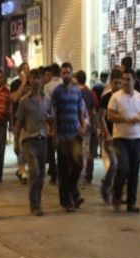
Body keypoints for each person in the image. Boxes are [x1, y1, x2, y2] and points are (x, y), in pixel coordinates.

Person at [107, 70, 140, 213]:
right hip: (120, 139)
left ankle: (131, 203)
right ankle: (117, 195)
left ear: (134, 80)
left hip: (136, 139)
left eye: (128, 79)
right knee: (124, 168)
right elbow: (110, 116)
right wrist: (123, 119)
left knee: (134, 171)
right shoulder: (115, 97)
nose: (125, 82)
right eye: (123, 79)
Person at [14, 68, 53, 216]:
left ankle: (38, 202)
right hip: (28, 140)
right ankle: (34, 204)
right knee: (34, 171)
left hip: (43, 140)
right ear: (29, 80)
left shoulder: (47, 100)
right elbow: (18, 124)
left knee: (41, 175)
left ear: (42, 80)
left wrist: (51, 123)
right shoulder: (24, 101)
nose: (36, 81)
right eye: (33, 78)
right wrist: (17, 143)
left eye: (38, 78)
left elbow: (52, 119)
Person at [51, 62, 87, 212]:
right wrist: (54, 133)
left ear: (72, 74)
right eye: (63, 73)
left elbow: (80, 110)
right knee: (64, 169)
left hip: (74, 133)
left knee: (78, 165)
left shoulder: (77, 91)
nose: (66, 75)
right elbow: (53, 113)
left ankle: (73, 190)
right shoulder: (57, 92)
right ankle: (67, 201)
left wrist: (83, 126)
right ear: (61, 74)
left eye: (68, 73)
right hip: (62, 135)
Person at [98, 69, 122, 203]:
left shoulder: (123, 97)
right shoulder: (106, 98)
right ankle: (106, 187)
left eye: (120, 83)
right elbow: (101, 117)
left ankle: (116, 193)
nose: (118, 86)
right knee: (114, 163)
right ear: (110, 82)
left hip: (122, 137)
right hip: (109, 137)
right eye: (115, 83)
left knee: (122, 167)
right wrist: (106, 134)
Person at [75, 70, 98, 184]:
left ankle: (78, 175)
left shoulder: (72, 92)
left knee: (77, 152)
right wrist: (94, 125)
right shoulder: (90, 93)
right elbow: (94, 111)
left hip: (74, 128)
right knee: (87, 152)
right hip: (87, 127)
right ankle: (88, 175)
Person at [44, 63, 63, 184]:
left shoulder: (47, 86)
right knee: (61, 149)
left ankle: (53, 175)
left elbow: (46, 104)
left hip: (51, 120)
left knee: (51, 149)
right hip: (63, 121)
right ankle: (62, 173)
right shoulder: (64, 85)